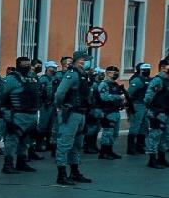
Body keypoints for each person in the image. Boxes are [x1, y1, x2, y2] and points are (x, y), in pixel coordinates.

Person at [52, 51, 95, 185]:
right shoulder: (72, 74)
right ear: (78, 60)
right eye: (84, 59)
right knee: (65, 143)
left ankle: (75, 171)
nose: (86, 62)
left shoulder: (83, 74)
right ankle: (62, 174)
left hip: (81, 113)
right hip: (71, 113)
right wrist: (60, 106)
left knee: (77, 144)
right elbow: (60, 93)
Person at [0, 56, 42, 174]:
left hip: (31, 114)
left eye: (28, 64)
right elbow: (2, 96)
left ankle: (21, 162)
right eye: (24, 64)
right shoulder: (12, 79)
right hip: (17, 114)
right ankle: (8, 164)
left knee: (26, 140)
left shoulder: (32, 78)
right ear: (18, 65)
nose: (27, 66)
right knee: (12, 140)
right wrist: (6, 114)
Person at [144, 58, 169, 169]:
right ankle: (152, 159)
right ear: (163, 67)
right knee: (155, 135)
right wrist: (152, 110)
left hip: (168, 111)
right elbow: (148, 97)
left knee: (166, 135)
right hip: (158, 112)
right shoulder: (158, 80)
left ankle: (162, 158)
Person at [94, 65, 126, 159]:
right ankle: (104, 152)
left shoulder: (116, 85)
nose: (116, 75)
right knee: (107, 132)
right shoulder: (104, 84)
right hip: (108, 111)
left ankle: (110, 150)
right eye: (113, 73)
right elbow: (104, 97)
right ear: (107, 73)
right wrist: (118, 97)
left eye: (117, 73)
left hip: (116, 111)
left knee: (115, 133)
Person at [36, 60, 58, 152]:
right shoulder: (42, 79)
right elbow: (39, 92)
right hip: (45, 105)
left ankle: (49, 143)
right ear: (48, 68)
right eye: (53, 67)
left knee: (51, 125)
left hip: (53, 104)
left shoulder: (55, 78)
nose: (55, 69)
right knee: (43, 125)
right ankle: (39, 144)